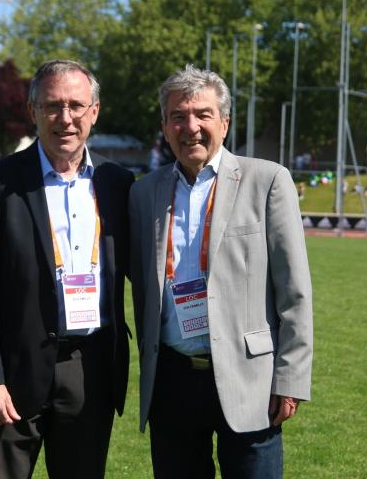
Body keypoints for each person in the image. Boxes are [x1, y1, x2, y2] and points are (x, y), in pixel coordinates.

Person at [129, 65, 313, 478]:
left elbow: (294, 291)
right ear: (164, 125)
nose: (190, 126)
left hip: (251, 380)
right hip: (172, 381)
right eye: (178, 116)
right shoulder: (143, 193)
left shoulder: (267, 181)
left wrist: (290, 378)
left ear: (225, 122)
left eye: (202, 114)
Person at [0, 59, 134, 478]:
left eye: (76, 105)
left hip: (90, 369)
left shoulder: (118, 184)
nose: (65, 118)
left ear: (93, 112)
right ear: (32, 111)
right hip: (13, 370)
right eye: (52, 106)